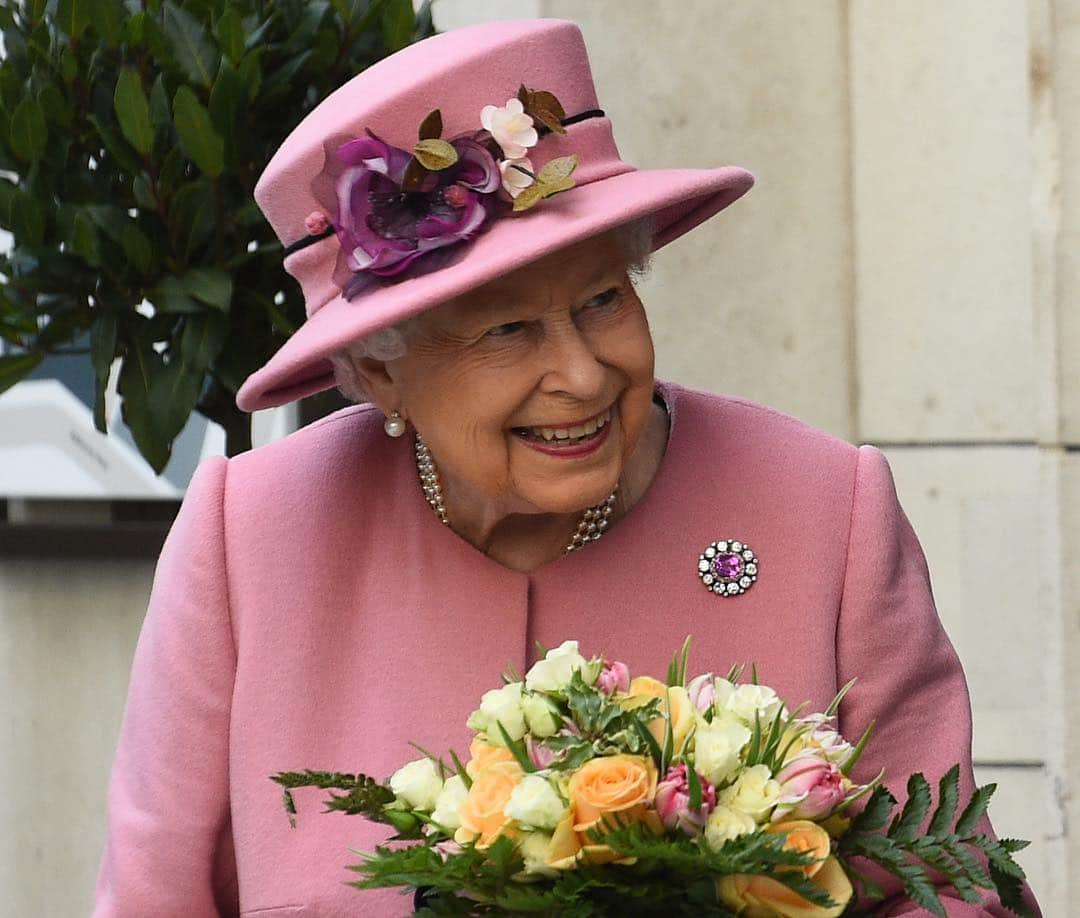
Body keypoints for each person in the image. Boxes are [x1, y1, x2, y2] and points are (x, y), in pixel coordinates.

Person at [93, 18, 1041, 918]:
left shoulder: (823, 512)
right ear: (380, 369)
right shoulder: (250, 538)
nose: (584, 374)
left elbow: (950, 885)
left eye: (603, 300)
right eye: (508, 330)